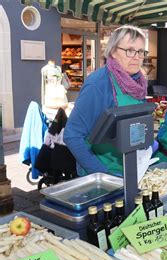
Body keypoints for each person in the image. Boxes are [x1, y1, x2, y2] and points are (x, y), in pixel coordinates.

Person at [64, 25, 149, 176]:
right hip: (104, 172)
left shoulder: (139, 84)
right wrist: (101, 173)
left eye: (141, 51)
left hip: (132, 168)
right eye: (130, 50)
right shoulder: (98, 84)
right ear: (113, 51)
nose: (137, 57)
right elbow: (72, 135)